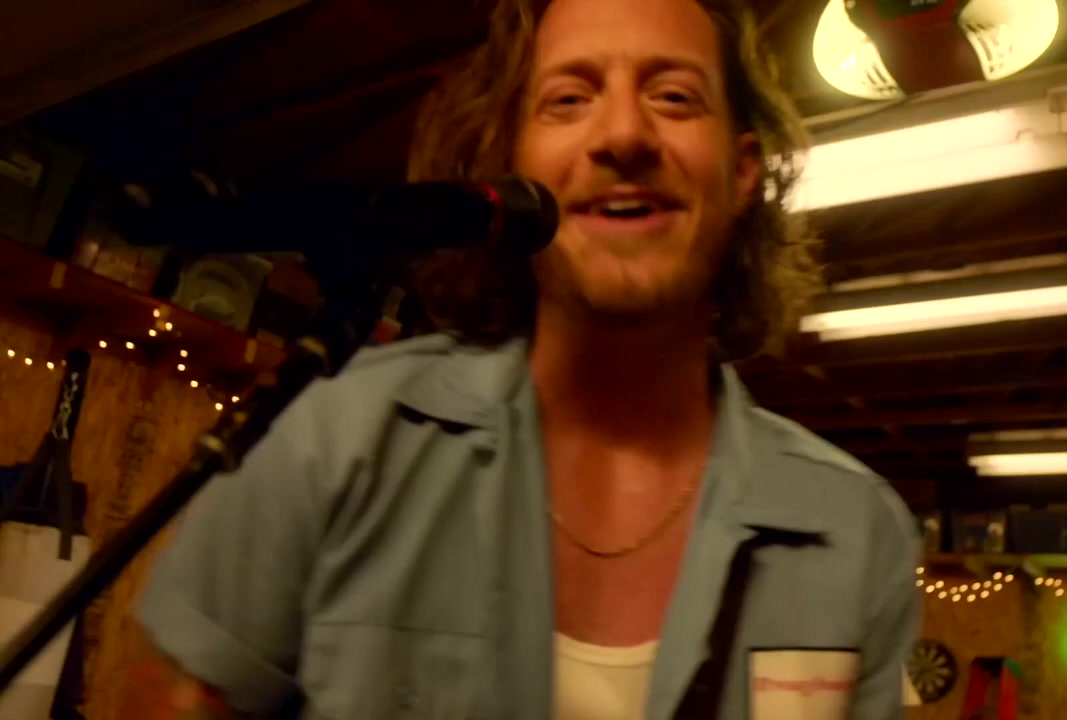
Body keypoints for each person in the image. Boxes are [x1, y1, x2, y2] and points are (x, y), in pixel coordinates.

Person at [123, 0, 920, 717]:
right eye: (568, 99)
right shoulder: (337, 438)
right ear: (513, 164)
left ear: (742, 172)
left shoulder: (856, 532)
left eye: (674, 96)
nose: (623, 135)